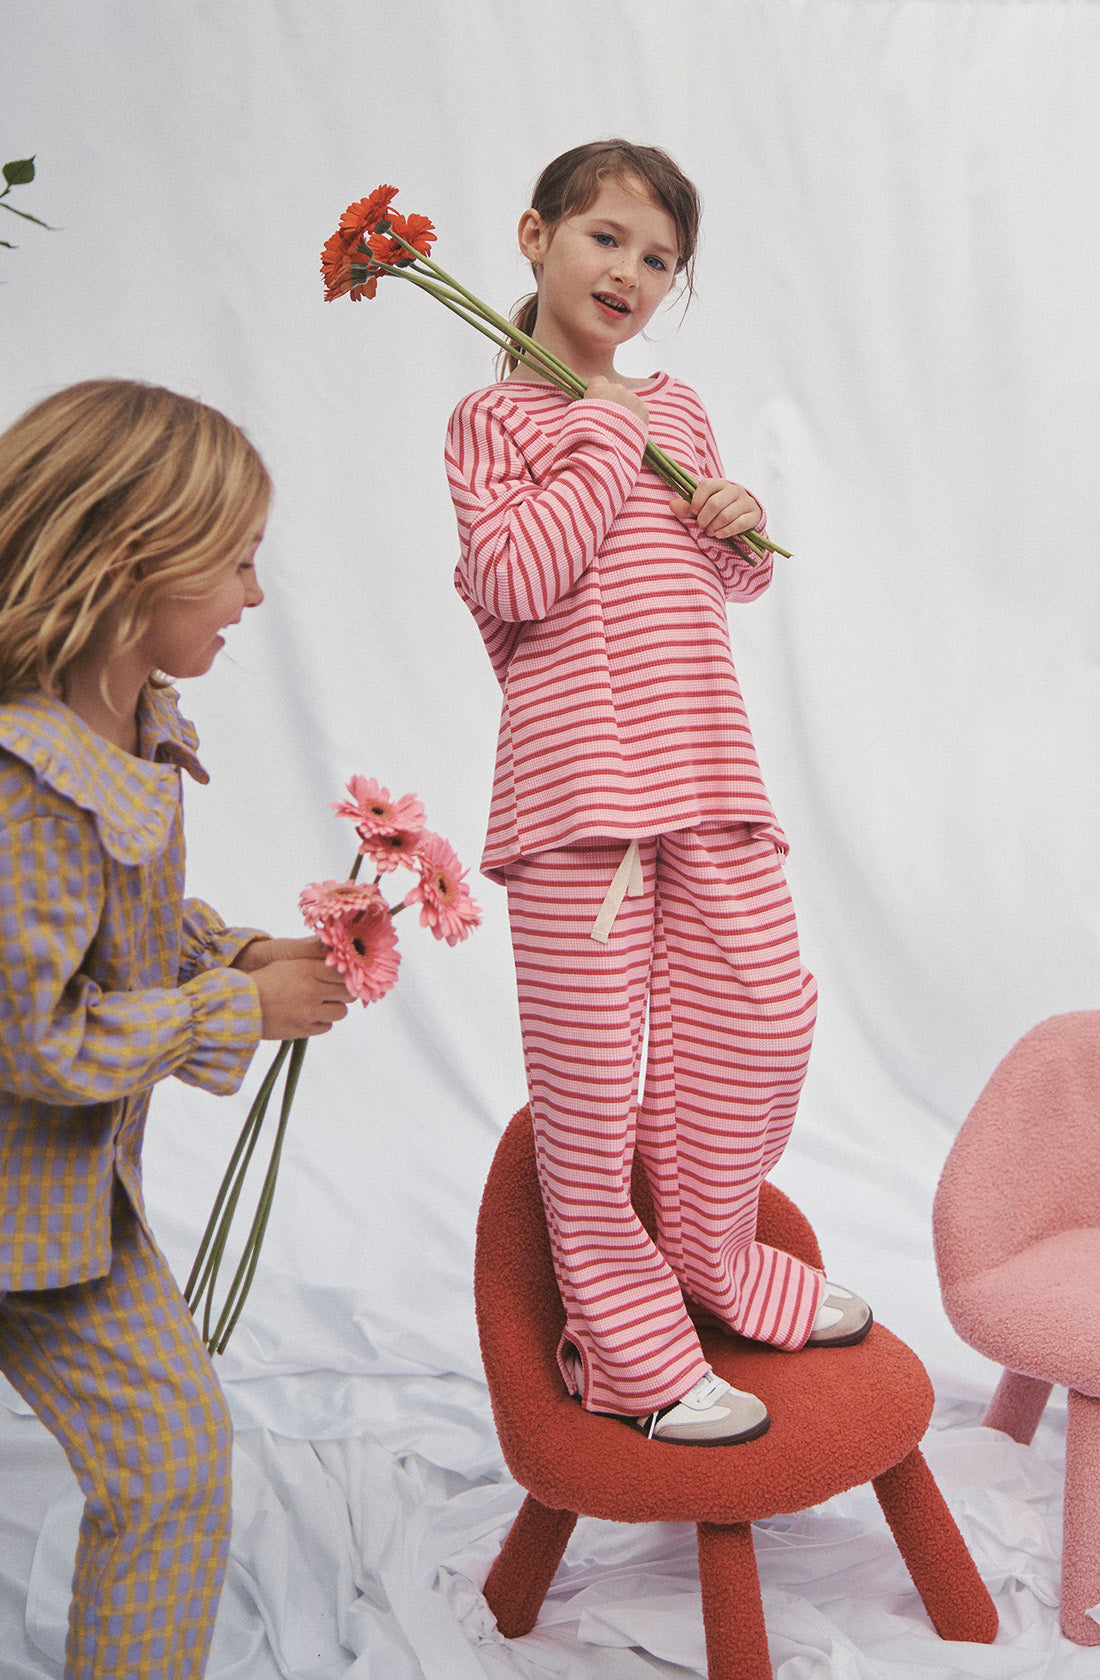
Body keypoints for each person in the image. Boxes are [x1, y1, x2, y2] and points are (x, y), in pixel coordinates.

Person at [446, 140, 870, 1448]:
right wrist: (592, 439)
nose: (630, 272)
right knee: (587, 1084)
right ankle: (624, 1347)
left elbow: (708, 581)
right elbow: (515, 581)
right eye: (606, 239)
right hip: (578, 800)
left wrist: (732, 524)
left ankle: (715, 1255)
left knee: (766, 1015)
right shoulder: (494, 424)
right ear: (535, 237)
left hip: (704, 769)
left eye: (659, 259)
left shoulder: (672, 408)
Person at [0, 379, 352, 1677]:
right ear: (126, 559)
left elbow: (106, 930)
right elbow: (28, 1038)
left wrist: (235, 950)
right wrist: (231, 1009)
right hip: (27, 1185)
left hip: (54, 1215)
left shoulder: (131, 729)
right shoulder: (24, 784)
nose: (256, 598)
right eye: (240, 563)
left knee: (173, 1462)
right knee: (172, 1462)